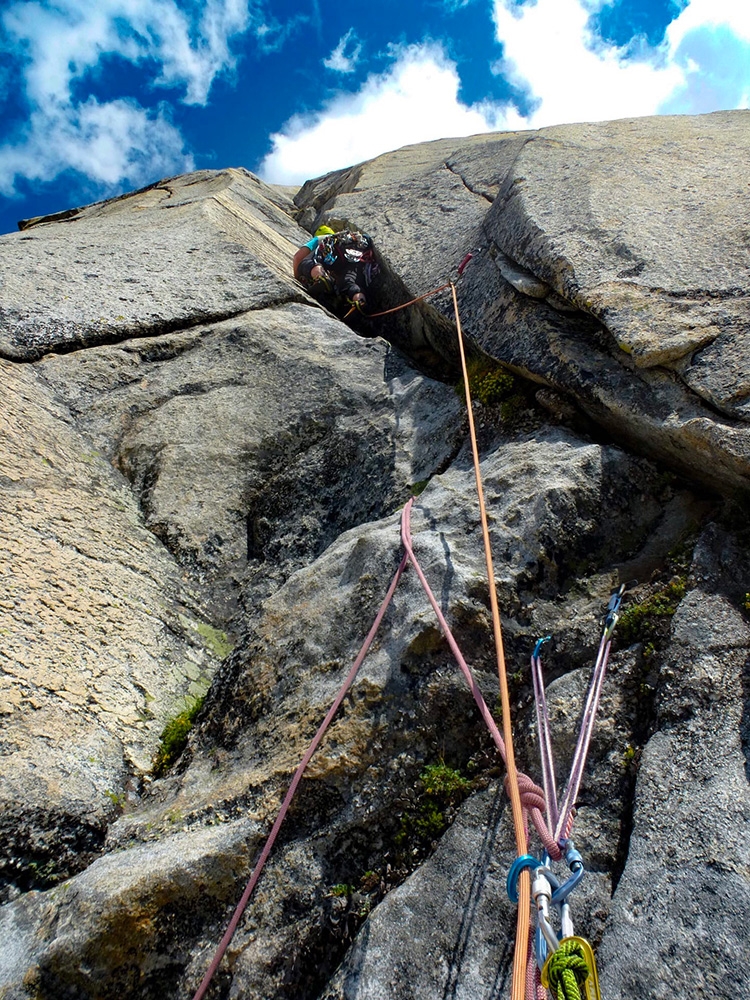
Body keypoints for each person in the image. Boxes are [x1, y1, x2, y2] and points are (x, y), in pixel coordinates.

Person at [293, 226, 378, 312]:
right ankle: (358, 300)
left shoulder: (321, 239)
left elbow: (298, 257)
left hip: (333, 252)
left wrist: (298, 277)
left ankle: (320, 276)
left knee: (308, 262)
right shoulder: (350, 241)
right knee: (348, 281)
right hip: (355, 258)